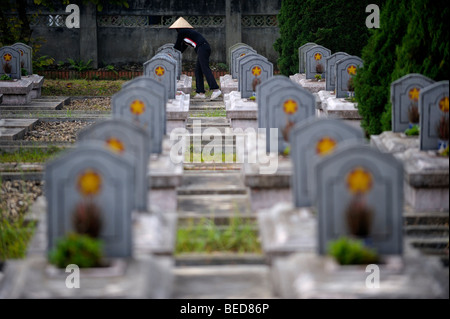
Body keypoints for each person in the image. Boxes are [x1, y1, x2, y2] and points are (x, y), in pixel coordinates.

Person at [170, 17, 222, 100]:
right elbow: (182, 49)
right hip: (203, 48)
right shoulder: (187, 34)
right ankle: (200, 92)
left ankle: (215, 89)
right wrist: (175, 54)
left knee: (205, 68)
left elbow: (177, 46)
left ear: (178, 28)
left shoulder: (182, 32)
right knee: (198, 70)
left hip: (202, 48)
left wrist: (171, 53)